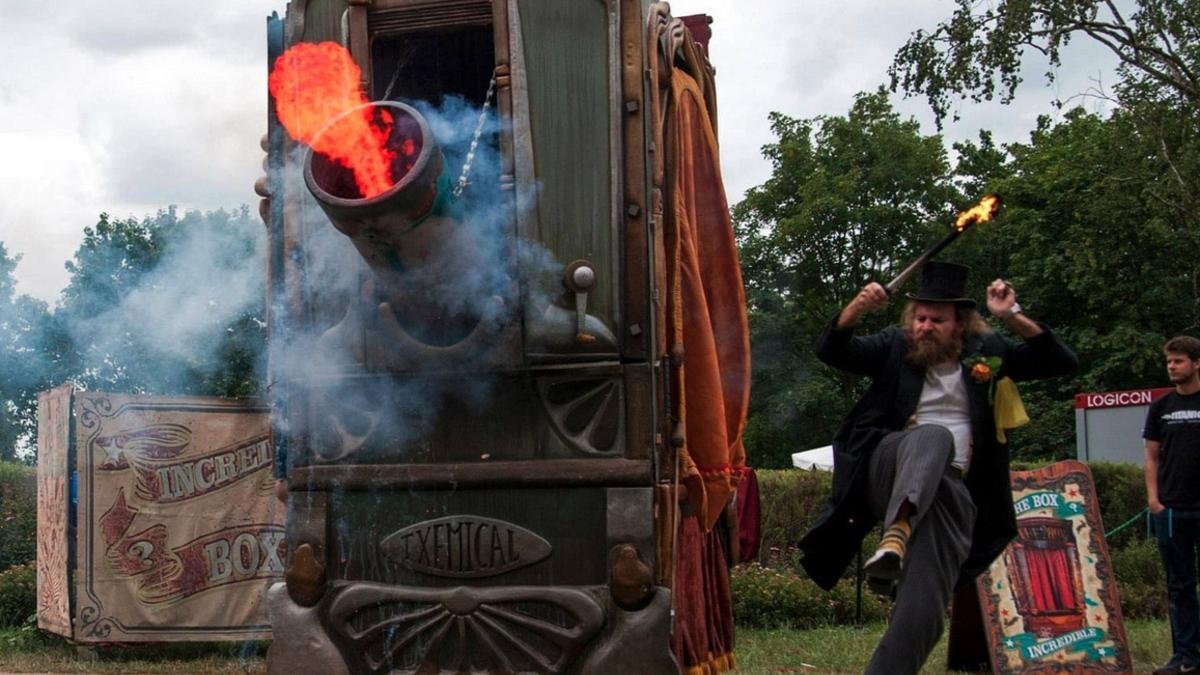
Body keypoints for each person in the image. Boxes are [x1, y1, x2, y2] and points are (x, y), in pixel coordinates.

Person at [798, 261, 1078, 675]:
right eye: (920, 318)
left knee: (925, 611)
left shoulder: (991, 354)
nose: (925, 326)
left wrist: (1011, 315)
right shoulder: (895, 346)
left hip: (951, 489)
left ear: (961, 325)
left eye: (937, 320)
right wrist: (855, 309)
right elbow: (833, 350)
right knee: (934, 437)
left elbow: (1061, 361)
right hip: (887, 471)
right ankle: (895, 533)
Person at [1144, 336, 1200, 675]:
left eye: (1178, 361)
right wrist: (1154, 500)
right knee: (1179, 587)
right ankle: (1187, 658)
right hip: (1172, 508)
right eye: (1169, 361)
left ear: (1197, 363)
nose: (1172, 366)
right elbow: (1151, 457)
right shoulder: (1160, 408)